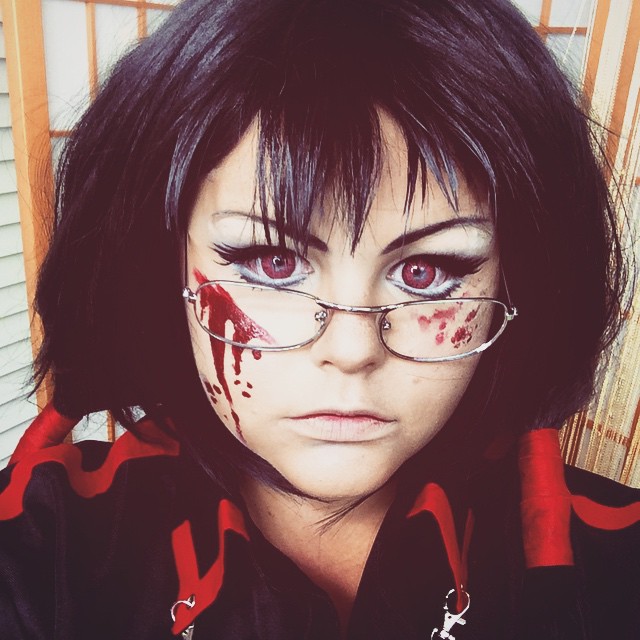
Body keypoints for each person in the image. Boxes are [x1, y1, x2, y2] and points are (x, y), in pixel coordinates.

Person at [1, 0, 639, 638]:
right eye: (273, 262)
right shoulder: (50, 544)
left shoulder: (616, 562)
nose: (353, 349)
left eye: (426, 272)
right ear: (162, 263)